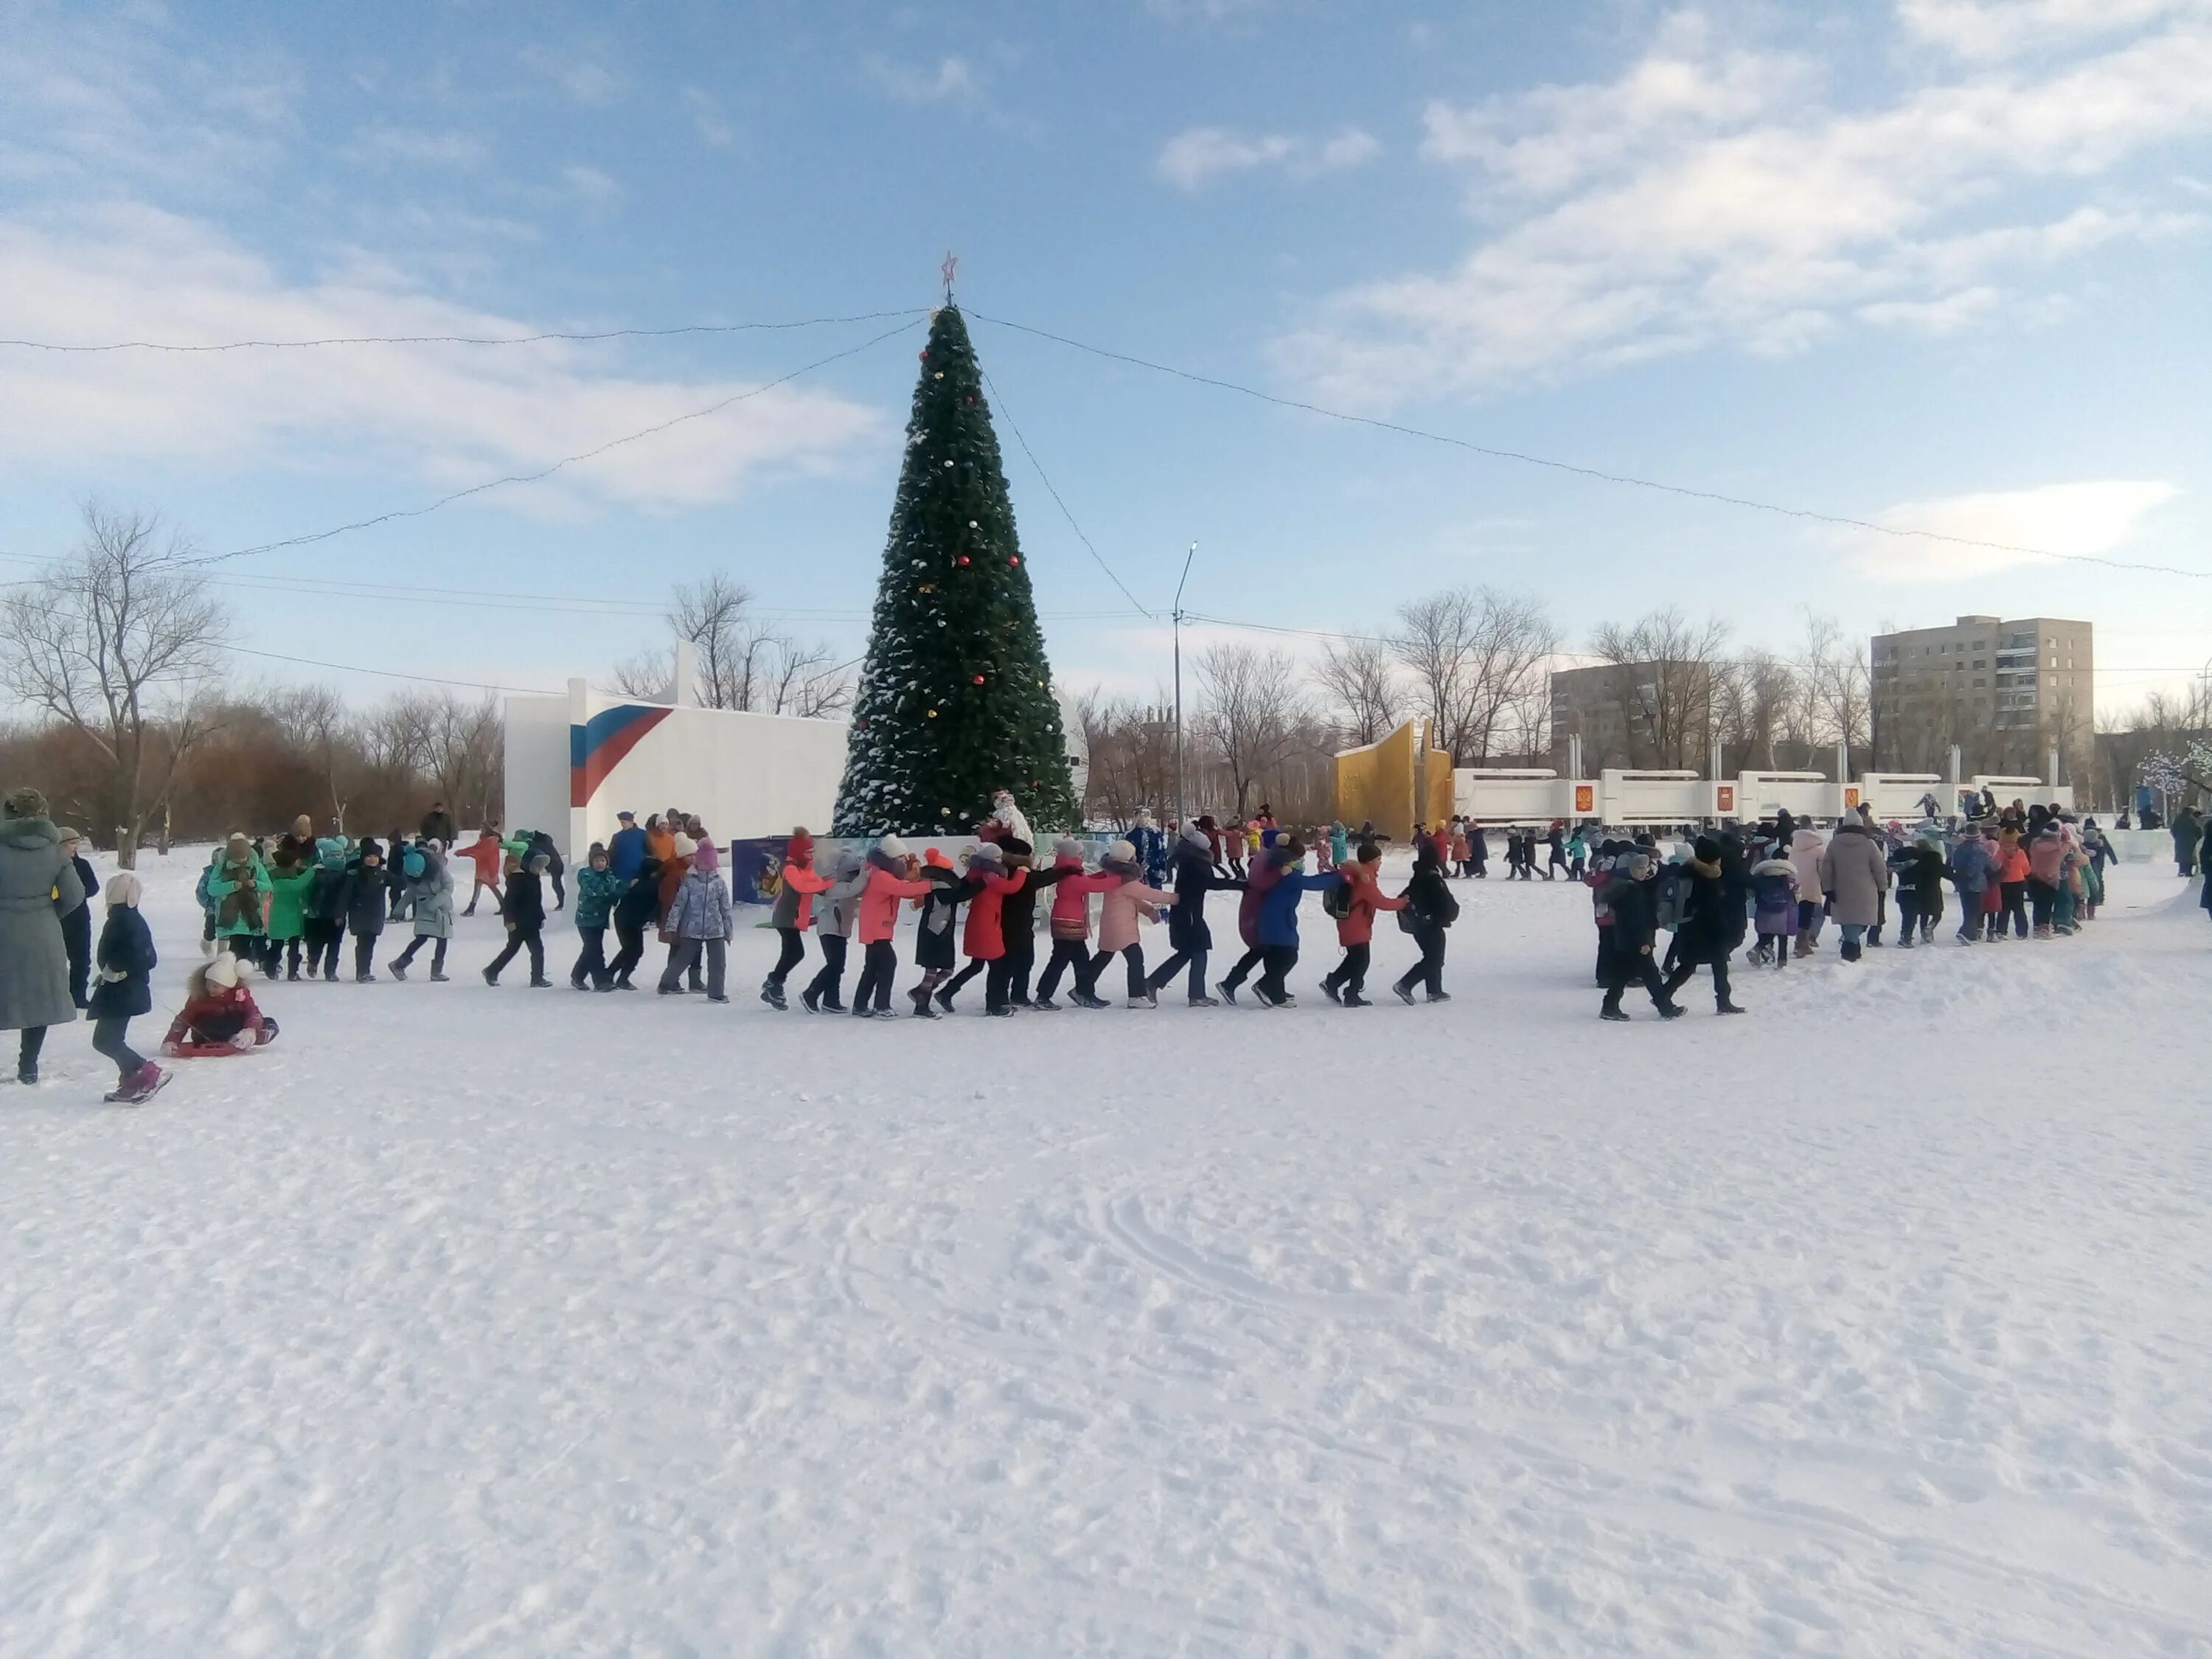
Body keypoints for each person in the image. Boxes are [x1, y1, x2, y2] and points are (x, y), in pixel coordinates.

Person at [0, 789, 86, 1085]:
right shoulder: (57, 853)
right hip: (43, 932)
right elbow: (75, 895)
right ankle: (28, 1065)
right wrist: (49, 914)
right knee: (38, 1000)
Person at [87, 870, 164, 1102]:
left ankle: (145, 1071)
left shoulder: (125, 919)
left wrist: (120, 971)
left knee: (105, 1040)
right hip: (119, 989)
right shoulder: (123, 917)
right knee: (109, 1039)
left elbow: (146, 957)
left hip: (124, 991)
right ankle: (132, 1079)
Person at [1148, 824, 1242, 1006]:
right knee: (1198, 951)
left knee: (1188, 952)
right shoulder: (1195, 864)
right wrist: (1240, 885)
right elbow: (1210, 883)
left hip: (1187, 912)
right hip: (1189, 914)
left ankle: (1156, 983)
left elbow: (1208, 882)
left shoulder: (1189, 861)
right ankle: (1194, 994)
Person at [939, 841, 1029, 1014]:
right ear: (989, 859)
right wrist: (1022, 873)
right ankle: (995, 1005)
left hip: (982, 924)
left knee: (977, 965)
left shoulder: (979, 873)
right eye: (997, 857)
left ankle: (947, 993)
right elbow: (1011, 887)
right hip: (986, 926)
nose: (1000, 860)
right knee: (999, 966)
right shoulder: (989, 875)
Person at [1252, 837, 1343, 1008]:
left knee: (1275, 956)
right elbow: (1313, 883)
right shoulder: (1289, 877)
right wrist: (1339, 877)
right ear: (1290, 859)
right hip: (1279, 921)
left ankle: (1277, 993)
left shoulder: (1277, 870)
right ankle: (1264, 985)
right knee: (1289, 956)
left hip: (1269, 919)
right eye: (1299, 858)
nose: (1302, 861)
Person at [1660, 835, 1745, 1012]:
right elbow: (1709, 907)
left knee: (1692, 966)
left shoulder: (1689, 873)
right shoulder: (1705, 878)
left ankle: (1664, 994)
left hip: (1692, 929)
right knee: (1712, 966)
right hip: (1708, 930)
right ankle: (1722, 1002)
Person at [851, 837, 933, 1018]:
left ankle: (860, 1005)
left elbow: (904, 890)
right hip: (876, 928)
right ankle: (882, 1005)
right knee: (888, 963)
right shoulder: (881, 875)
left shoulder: (883, 873)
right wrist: (931, 885)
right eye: (902, 858)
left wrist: (919, 887)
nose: (905, 862)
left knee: (872, 968)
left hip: (878, 927)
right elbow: (902, 890)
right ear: (893, 858)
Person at [1320, 841, 1407, 1006]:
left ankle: (1332, 983)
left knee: (1355, 959)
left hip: (1350, 922)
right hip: (1356, 924)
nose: (1380, 863)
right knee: (1362, 960)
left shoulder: (1358, 874)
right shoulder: (1365, 878)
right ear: (1370, 861)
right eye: (1379, 859)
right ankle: (1351, 994)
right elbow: (1381, 902)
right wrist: (1403, 903)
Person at [1090, 839, 1175, 1008]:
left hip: (1113, 925)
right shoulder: (1124, 879)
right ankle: (1136, 996)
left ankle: (1082, 987)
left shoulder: (1113, 875)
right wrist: (1177, 898)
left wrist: (1149, 911)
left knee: (1103, 958)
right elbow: (1150, 894)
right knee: (1136, 959)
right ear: (1129, 858)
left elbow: (1132, 899)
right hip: (1121, 927)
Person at [1035, 839, 1118, 1009]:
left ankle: (1083, 992)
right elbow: (1094, 886)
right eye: (1080, 853)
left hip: (1067, 921)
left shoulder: (1068, 871)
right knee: (1060, 961)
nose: (1082, 855)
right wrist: (1120, 877)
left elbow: (1089, 880)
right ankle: (1045, 996)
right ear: (1073, 856)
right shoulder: (1071, 875)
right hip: (1068, 922)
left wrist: (1107, 872)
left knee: (1079, 959)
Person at [1599, 852, 1682, 1022]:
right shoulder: (1632, 891)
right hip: (1635, 942)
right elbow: (1636, 920)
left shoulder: (1633, 887)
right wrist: (1644, 941)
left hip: (1629, 941)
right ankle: (1665, 1008)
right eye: (1640, 868)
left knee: (1624, 975)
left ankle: (1609, 1006)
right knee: (1651, 975)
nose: (1644, 871)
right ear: (1632, 869)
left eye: (1646, 867)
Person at [762, 829, 832, 1010]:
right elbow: (802, 886)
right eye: (808, 852)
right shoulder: (790, 869)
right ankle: (773, 982)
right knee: (795, 953)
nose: (812, 855)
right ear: (799, 853)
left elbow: (817, 884)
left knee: (792, 953)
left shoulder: (806, 870)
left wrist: (830, 884)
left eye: (812, 851)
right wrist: (826, 884)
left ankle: (773, 984)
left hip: (793, 919)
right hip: (785, 917)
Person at [656, 838, 733, 1001]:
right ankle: (666, 983)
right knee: (683, 958)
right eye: (702, 862)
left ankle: (716, 993)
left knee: (718, 963)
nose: (704, 866)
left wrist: (728, 930)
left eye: (708, 862)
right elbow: (679, 905)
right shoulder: (689, 882)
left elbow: (725, 909)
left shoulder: (719, 883)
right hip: (692, 928)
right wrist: (672, 925)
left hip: (715, 929)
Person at [161, 953, 279, 1055]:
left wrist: (250, 1030)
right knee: (218, 1022)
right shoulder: (200, 997)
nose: (210, 989)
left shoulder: (240, 995)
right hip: (206, 1032)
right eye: (208, 984)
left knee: (267, 1022)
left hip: (235, 1030)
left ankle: (249, 1038)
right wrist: (172, 1040)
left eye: (215, 986)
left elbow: (252, 1012)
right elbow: (183, 1019)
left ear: (228, 986)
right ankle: (236, 1038)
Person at [1388, 842, 1458, 1004]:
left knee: (1432, 956)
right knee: (1435, 959)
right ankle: (1405, 984)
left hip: (1419, 924)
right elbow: (1444, 901)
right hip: (1431, 924)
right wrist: (1448, 915)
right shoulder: (1432, 878)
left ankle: (1434, 991)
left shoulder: (1418, 876)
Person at [801, 849, 867, 1012]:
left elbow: (858, 890)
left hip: (838, 930)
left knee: (837, 965)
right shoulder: (835, 886)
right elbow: (853, 889)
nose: (854, 875)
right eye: (852, 872)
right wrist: (866, 873)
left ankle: (831, 1000)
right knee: (835, 965)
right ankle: (811, 993)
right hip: (829, 929)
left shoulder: (846, 884)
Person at [1819, 813, 1888, 962]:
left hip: (1841, 890)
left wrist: (1828, 888)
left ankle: (1851, 947)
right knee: (1859, 921)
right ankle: (1851, 949)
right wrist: (1882, 887)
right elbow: (1880, 868)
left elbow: (1826, 869)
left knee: (1847, 920)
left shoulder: (1834, 844)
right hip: (1865, 890)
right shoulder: (1869, 844)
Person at [389, 840, 454, 981]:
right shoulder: (413, 878)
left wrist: (436, 903)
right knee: (421, 937)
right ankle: (399, 964)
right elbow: (410, 894)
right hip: (425, 909)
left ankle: (437, 971)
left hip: (442, 909)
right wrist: (399, 909)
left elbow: (448, 888)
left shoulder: (440, 870)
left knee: (442, 939)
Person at [483, 852, 551, 987]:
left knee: (537, 950)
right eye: (535, 865)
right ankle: (491, 971)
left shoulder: (535, 879)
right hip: (518, 924)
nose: (538, 869)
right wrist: (509, 921)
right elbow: (508, 903)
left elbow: (537, 902)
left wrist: (541, 916)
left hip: (532, 923)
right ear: (527, 864)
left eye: (540, 866)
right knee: (512, 949)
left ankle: (537, 978)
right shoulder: (517, 880)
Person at [206, 832, 271, 961]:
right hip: (229, 915)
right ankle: (233, 974)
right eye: (237, 858)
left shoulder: (256, 866)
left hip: (249, 916)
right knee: (236, 951)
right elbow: (212, 889)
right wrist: (231, 886)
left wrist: (256, 884)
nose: (241, 861)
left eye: (243, 857)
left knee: (242, 950)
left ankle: (237, 974)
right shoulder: (221, 868)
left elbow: (268, 885)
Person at [54, 826, 97, 1009]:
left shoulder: (82, 865)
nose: (75, 847)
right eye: (72, 843)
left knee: (81, 959)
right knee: (56, 961)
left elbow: (93, 887)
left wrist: (75, 894)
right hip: (56, 919)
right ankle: (57, 997)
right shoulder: (50, 867)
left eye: (76, 843)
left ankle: (77, 995)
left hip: (79, 919)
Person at [605, 853, 662, 991]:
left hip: (624, 918)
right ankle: (616, 976)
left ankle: (613, 975)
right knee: (633, 950)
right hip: (630, 921)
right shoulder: (651, 885)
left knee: (630, 949)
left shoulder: (638, 881)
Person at [570, 843, 622, 990]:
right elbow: (595, 891)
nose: (600, 864)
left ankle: (577, 976)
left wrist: (624, 888)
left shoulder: (610, 875)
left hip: (600, 919)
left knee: (590, 949)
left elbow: (615, 892)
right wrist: (613, 891)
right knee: (595, 950)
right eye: (597, 861)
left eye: (603, 861)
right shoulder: (586, 875)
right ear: (591, 862)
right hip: (586, 919)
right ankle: (601, 981)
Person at [301, 838, 351, 978]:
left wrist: (307, 907)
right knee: (333, 944)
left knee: (318, 943)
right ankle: (329, 970)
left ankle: (316, 963)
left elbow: (307, 891)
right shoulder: (345, 872)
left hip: (319, 913)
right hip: (334, 914)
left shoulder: (317, 871)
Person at [265, 846, 316, 980]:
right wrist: (312, 871)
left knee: (284, 945)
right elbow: (299, 885)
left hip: (281, 916)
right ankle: (287, 971)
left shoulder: (273, 875)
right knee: (288, 945)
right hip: (289, 915)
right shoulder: (283, 882)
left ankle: (279, 968)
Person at [1747, 844, 1799, 967]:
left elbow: (1752, 892)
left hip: (1764, 910)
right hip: (1783, 910)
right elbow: (1796, 891)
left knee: (1767, 933)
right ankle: (1782, 962)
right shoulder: (1789, 874)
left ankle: (1757, 949)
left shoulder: (1761, 873)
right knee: (1782, 936)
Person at [1787, 827, 1826, 956]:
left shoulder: (1793, 849)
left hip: (1795, 885)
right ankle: (1803, 942)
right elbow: (1822, 871)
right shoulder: (1819, 851)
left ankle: (1802, 942)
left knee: (1802, 914)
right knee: (1814, 914)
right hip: (1811, 886)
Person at [1992, 828, 2031, 940]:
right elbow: (2027, 869)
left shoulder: (1999, 852)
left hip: (2003, 883)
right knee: (2019, 908)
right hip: (2018, 882)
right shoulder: (2020, 852)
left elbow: (1995, 867)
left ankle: (2001, 930)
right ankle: (2022, 931)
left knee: (2003, 908)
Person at [458, 827, 505, 917]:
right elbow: (475, 848)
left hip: (488, 868)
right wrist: (463, 852)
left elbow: (484, 852)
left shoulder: (492, 840)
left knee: (492, 887)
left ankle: (472, 909)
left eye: (483, 828)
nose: (481, 830)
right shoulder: (483, 839)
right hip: (481, 867)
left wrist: (471, 853)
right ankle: (472, 908)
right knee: (481, 887)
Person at [1128, 809, 1169, 889]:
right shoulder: (1130, 834)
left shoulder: (1155, 833)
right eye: (1141, 817)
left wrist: (1162, 868)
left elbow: (1161, 852)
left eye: (1146, 816)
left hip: (1154, 868)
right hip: (1136, 870)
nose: (1144, 819)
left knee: (1155, 894)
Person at [608, 810, 647, 883]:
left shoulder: (643, 835)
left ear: (631, 821)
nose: (622, 825)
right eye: (621, 822)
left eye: (624, 822)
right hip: (621, 871)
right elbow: (611, 854)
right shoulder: (617, 837)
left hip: (639, 871)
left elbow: (648, 851)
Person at [2170, 804, 2202, 877]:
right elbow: (2198, 830)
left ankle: (2182, 870)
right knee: (2190, 856)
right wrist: (2197, 838)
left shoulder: (2178, 819)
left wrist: (2177, 837)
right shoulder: (2192, 820)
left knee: (2182, 856)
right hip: (2191, 841)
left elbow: (2173, 830)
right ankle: (2188, 872)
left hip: (2180, 841)